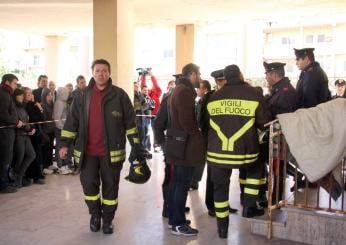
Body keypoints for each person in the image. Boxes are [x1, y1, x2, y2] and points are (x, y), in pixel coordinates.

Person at [59, 59, 141, 234]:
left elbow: (130, 123)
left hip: (112, 153)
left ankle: (108, 219)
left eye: (104, 70)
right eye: (97, 71)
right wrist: (65, 144)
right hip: (87, 152)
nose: (101, 74)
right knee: (89, 185)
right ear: (93, 73)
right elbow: (72, 121)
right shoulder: (82, 96)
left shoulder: (119, 95)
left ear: (109, 73)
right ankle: (95, 214)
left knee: (111, 186)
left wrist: (136, 146)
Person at [206, 65, 272, 238]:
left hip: (217, 152)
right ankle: (249, 205)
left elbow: (205, 124)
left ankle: (222, 228)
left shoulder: (214, 96)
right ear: (241, 75)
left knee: (220, 189)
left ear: (225, 78)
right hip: (245, 150)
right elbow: (264, 122)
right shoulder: (253, 94)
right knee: (256, 169)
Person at [167, 63, 206, 236]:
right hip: (185, 146)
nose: (200, 77)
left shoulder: (179, 89)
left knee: (177, 184)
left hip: (179, 144)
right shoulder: (184, 92)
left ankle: (174, 219)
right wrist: (197, 134)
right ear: (192, 74)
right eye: (198, 74)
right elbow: (187, 122)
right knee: (181, 185)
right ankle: (178, 224)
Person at [201, 70, 238, 217]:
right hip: (214, 143)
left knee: (225, 177)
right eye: (222, 81)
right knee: (213, 177)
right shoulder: (210, 97)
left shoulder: (232, 97)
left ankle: (223, 204)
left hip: (227, 142)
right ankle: (212, 206)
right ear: (217, 82)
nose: (225, 84)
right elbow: (203, 121)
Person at [263, 61, 300, 201]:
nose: (265, 77)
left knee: (278, 167)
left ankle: (276, 196)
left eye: (267, 74)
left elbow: (285, 115)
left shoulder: (286, 91)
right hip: (277, 134)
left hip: (281, 135)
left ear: (273, 74)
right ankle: (276, 195)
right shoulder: (279, 89)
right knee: (276, 166)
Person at [0, 74, 22, 193]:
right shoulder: (3, 94)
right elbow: (2, 114)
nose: (16, 86)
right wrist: (16, 121)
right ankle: (3, 184)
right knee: (5, 158)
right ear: (7, 82)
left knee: (7, 158)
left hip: (8, 131)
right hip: (4, 133)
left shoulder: (6, 93)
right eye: (14, 83)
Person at [11, 88, 36, 188]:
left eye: (22, 95)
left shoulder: (22, 107)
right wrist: (29, 129)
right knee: (19, 159)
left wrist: (32, 128)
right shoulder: (14, 107)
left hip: (25, 135)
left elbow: (26, 120)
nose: (22, 97)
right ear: (15, 96)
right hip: (19, 136)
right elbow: (19, 122)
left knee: (32, 154)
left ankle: (19, 176)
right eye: (20, 95)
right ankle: (16, 179)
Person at [53, 87, 73, 174]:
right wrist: (62, 128)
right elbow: (57, 118)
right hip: (60, 129)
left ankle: (65, 164)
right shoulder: (59, 103)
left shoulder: (64, 103)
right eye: (65, 92)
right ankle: (60, 165)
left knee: (66, 147)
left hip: (65, 129)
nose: (67, 94)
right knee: (59, 147)